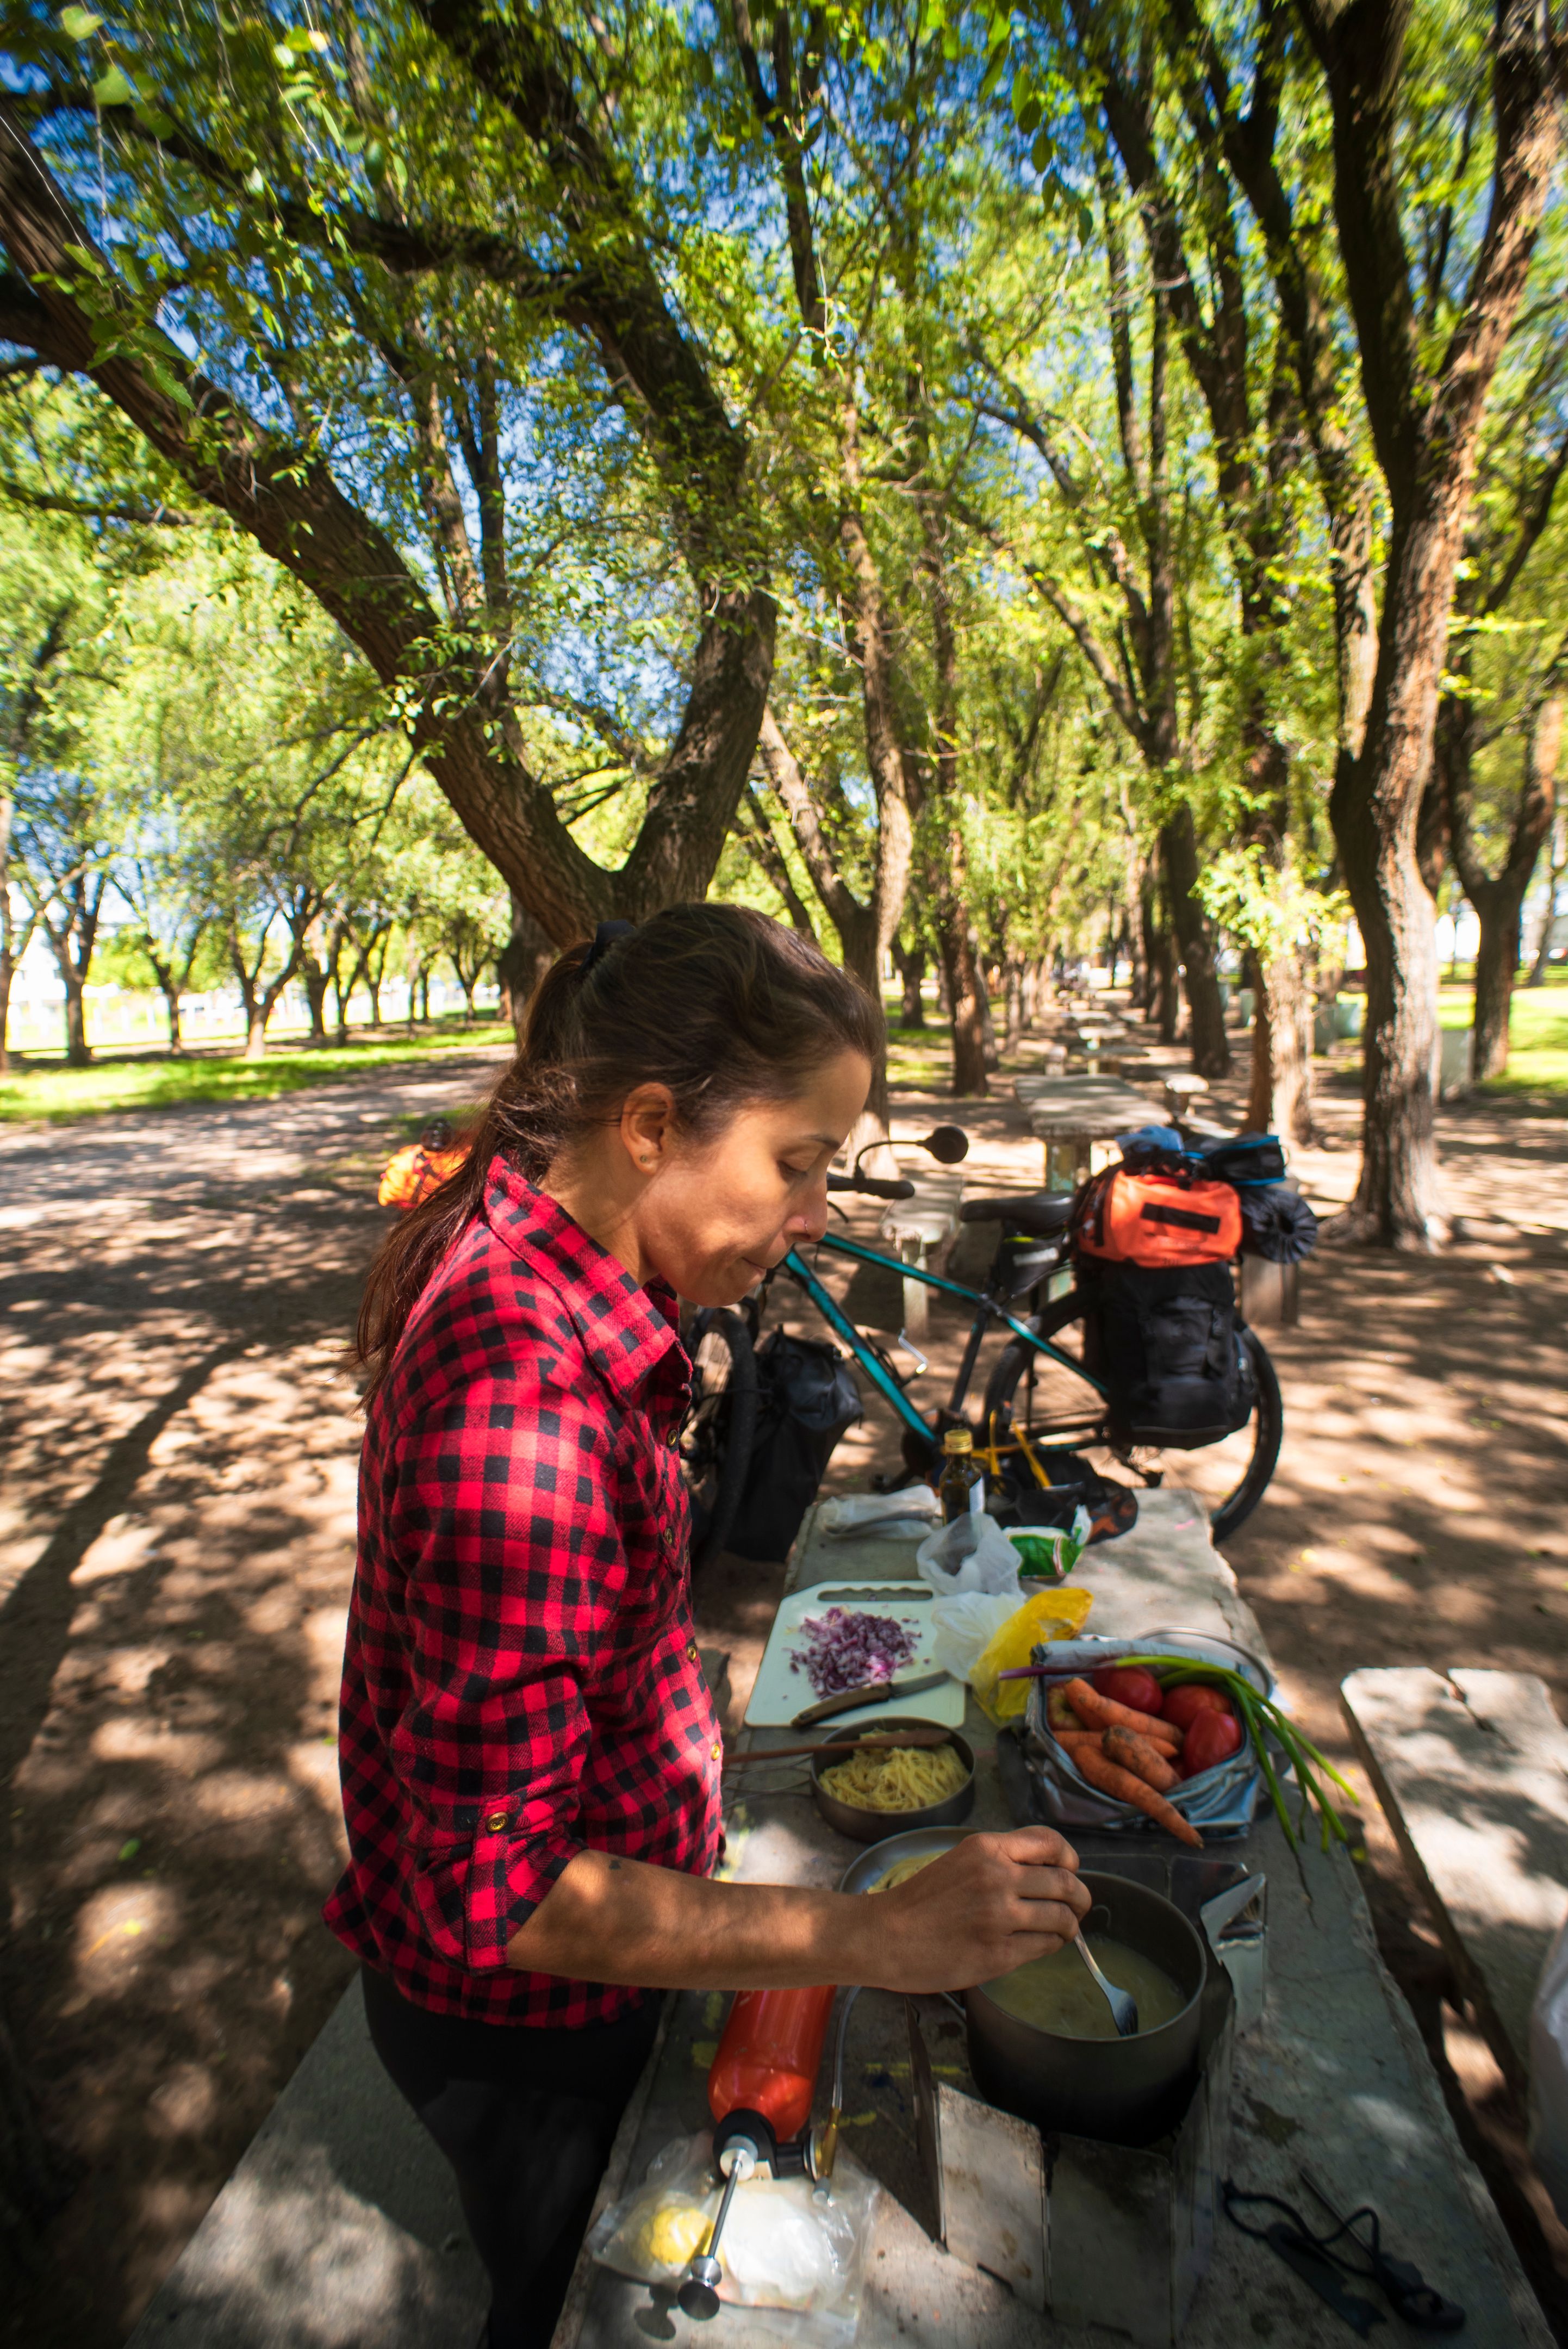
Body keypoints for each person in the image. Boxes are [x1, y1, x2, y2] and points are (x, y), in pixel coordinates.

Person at [327, 905, 1090, 2349]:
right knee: (569, 2305)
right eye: (795, 1166)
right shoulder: (523, 1416)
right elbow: (515, 1900)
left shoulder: (567, 1276)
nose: (814, 1217)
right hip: (528, 2030)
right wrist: (869, 1936)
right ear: (653, 1122)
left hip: (593, 1946)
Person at [377, 1116, 468, 1209]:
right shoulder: (463, 1160)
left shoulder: (405, 1160)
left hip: (415, 1212)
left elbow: (386, 1198)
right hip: (452, 1210)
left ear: (424, 1138)